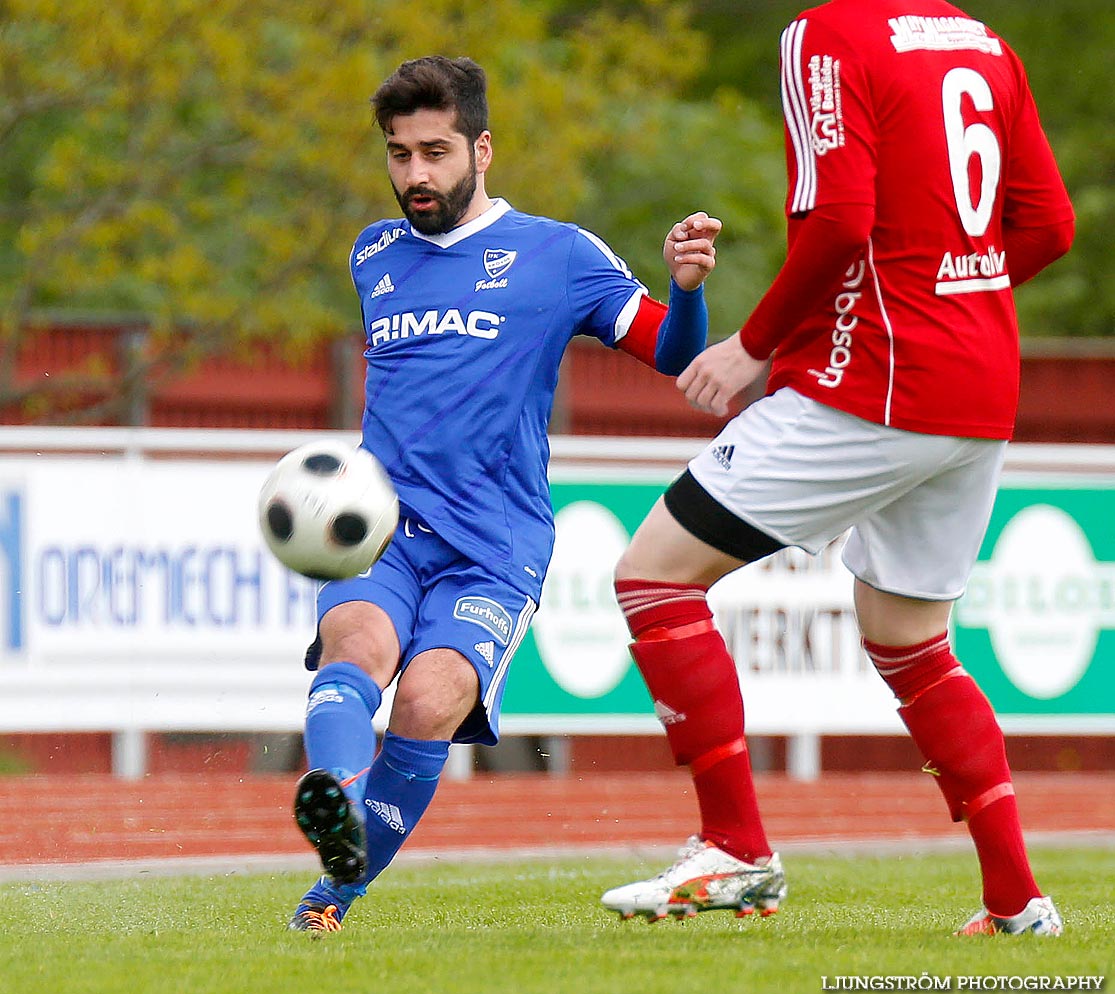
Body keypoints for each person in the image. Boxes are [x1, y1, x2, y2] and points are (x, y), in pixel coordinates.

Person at [600, 0, 1074, 935]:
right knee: (911, 642)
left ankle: (734, 849)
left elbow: (842, 219)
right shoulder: (982, 39)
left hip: (880, 379)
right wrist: (950, 296)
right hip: (978, 384)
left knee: (652, 574)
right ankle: (1018, 903)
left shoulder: (826, 33)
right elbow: (1049, 224)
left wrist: (753, 344)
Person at [287, 54, 722, 934]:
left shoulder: (558, 254)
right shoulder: (373, 255)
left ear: (482, 149)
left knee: (428, 699)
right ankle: (335, 799)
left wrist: (685, 292)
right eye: (400, 155)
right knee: (359, 643)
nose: (416, 174)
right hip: (385, 529)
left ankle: (332, 895)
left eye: (436, 152)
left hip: (494, 546)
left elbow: (671, 355)